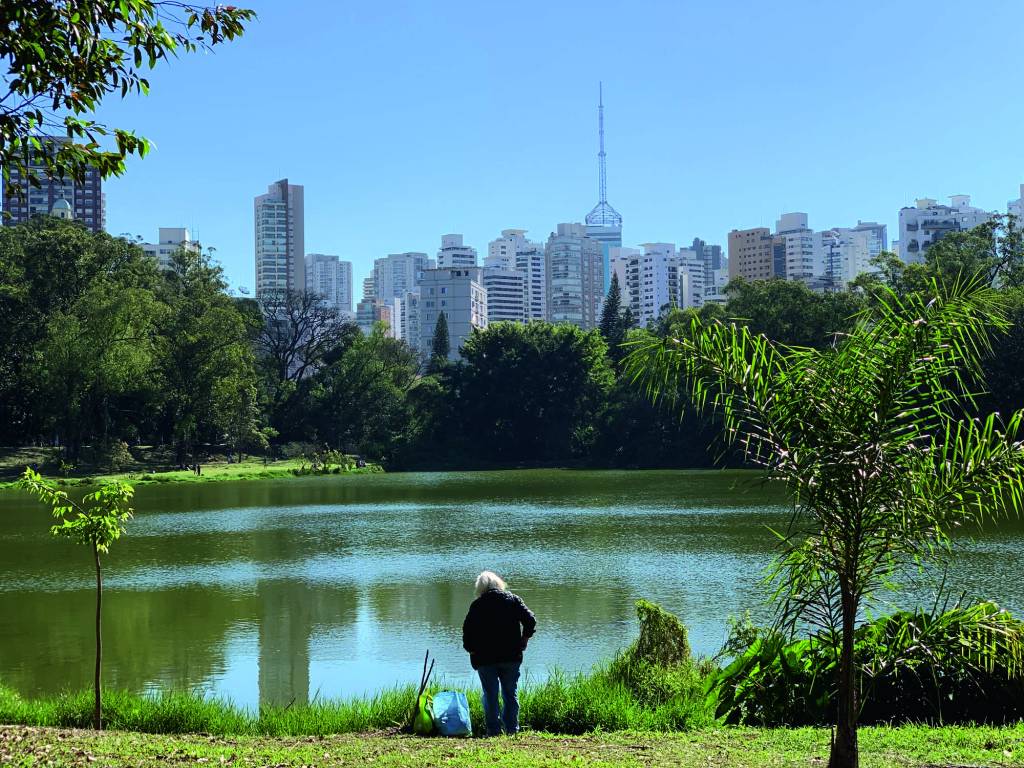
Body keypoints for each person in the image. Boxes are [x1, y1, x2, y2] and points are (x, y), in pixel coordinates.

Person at [461, 570, 536, 736]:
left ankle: (493, 731)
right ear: (499, 583)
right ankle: (512, 730)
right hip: (511, 657)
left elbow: (467, 633)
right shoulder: (513, 600)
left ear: (480, 588)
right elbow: (530, 620)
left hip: (485, 659)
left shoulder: (477, 605)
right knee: (510, 693)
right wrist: (524, 639)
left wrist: (472, 651)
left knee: (490, 695)